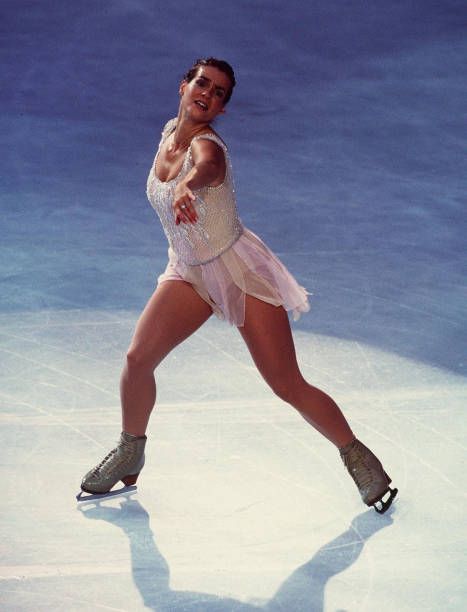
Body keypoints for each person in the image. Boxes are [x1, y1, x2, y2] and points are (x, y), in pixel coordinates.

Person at [80, 58, 397, 513]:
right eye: (202, 83)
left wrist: (188, 183)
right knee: (136, 358)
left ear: (222, 108)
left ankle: (362, 461)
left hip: (238, 271)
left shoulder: (210, 148)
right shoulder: (169, 133)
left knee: (286, 383)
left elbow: (207, 167)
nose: (208, 94)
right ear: (184, 86)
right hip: (188, 271)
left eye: (220, 93)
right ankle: (131, 450)